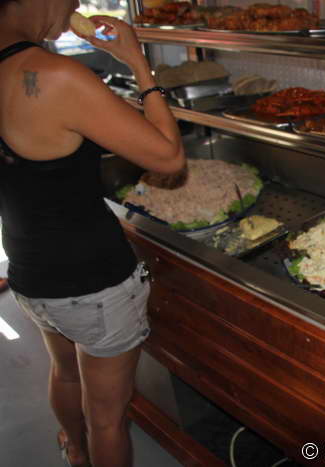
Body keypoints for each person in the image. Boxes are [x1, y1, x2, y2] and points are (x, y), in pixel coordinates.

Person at [0, 1, 185, 467]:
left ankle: (75, 452)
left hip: (29, 271)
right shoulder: (56, 74)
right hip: (93, 282)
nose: (77, 5)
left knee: (65, 373)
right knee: (108, 418)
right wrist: (137, 60)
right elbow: (168, 158)